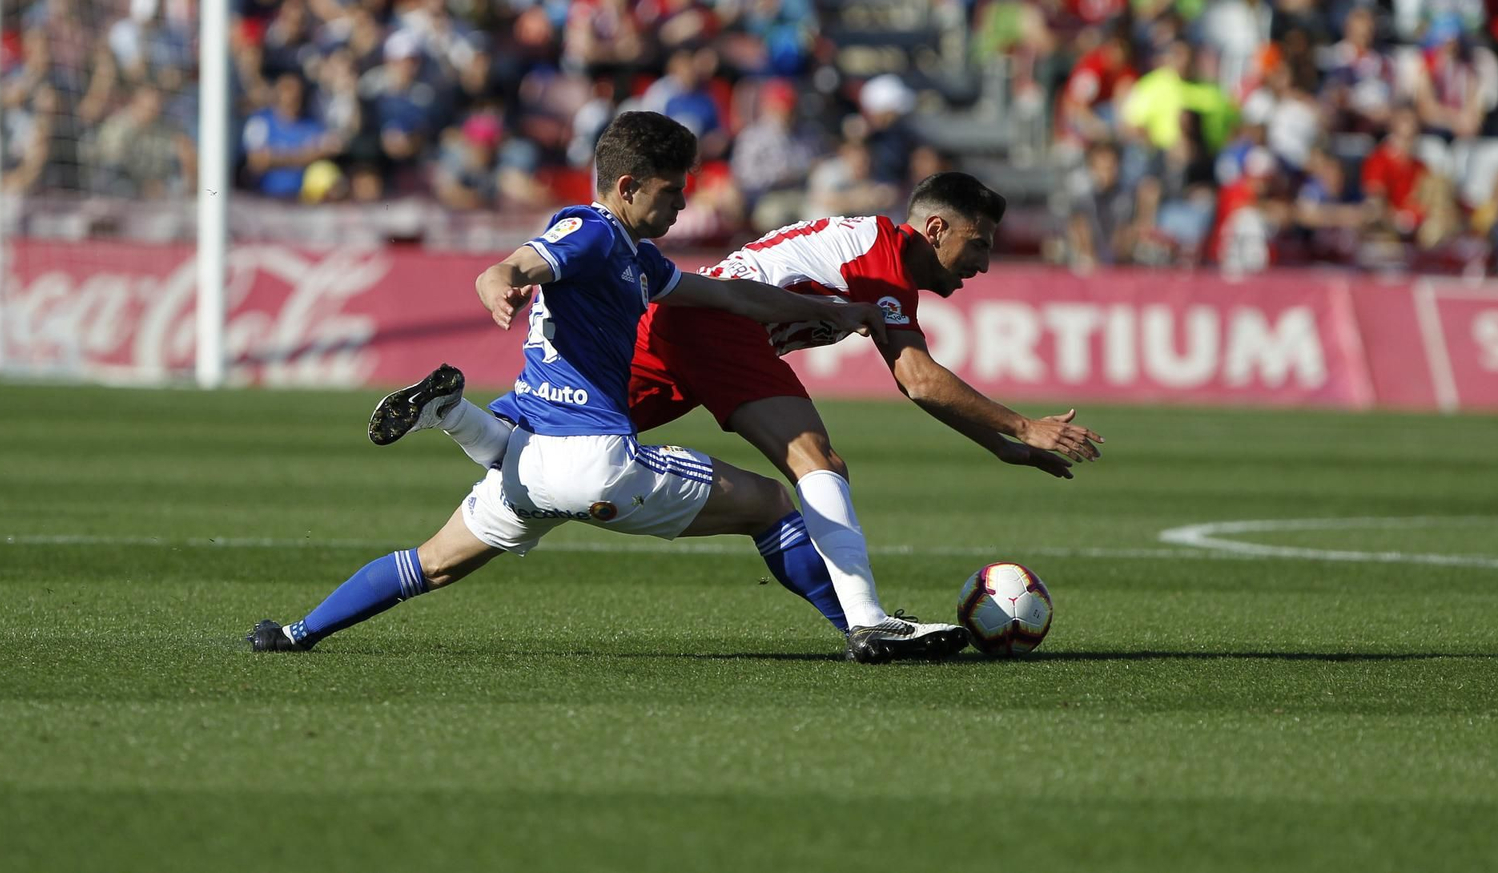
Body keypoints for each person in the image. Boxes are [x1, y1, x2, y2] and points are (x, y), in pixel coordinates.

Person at [250, 113, 967, 663]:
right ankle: (866, 627)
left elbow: (731, 297)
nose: (682, 205)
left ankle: (297, 631)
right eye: (671, 191)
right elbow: (523, 262)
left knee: (431, 564)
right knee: (774, 504)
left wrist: (830, 312)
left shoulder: (638, 259)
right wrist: (499, 281)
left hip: (527, 464)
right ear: (627, 188)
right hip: (597, 461)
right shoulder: (591, 232)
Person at [415, 170, 1104, 647]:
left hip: (678, 331)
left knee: (537, 442)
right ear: (935, 227)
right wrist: (1022, 425)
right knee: (816, 459)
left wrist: (1002, 444)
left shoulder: (881, 255)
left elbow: (917, 378)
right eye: (978, 244)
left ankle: (451, 417)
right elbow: (919, 380)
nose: (982, 263)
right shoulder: (884, 260)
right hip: (717, 323)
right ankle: (867, 620)